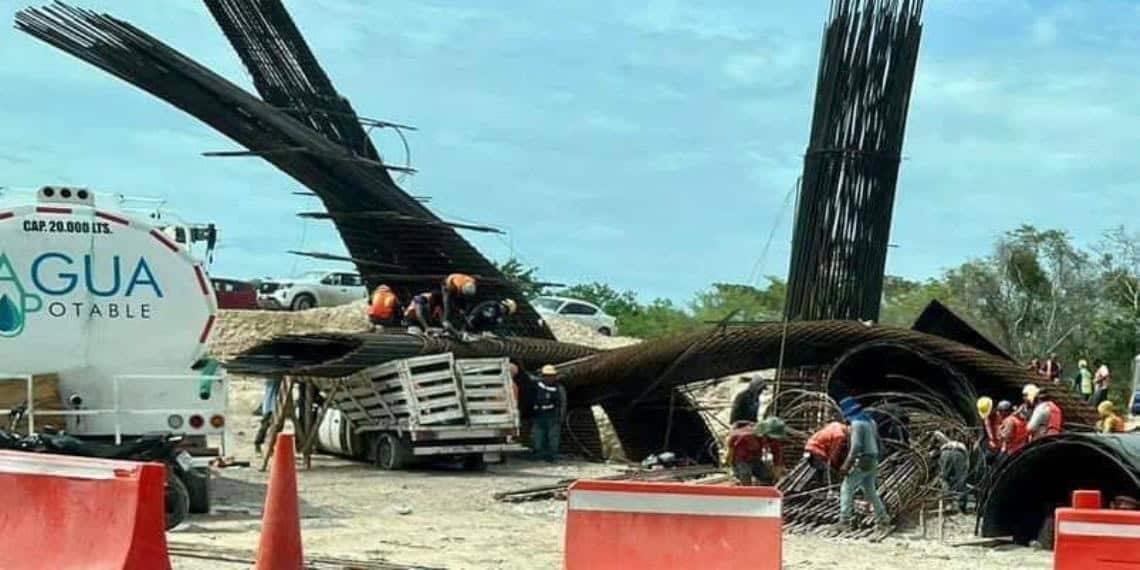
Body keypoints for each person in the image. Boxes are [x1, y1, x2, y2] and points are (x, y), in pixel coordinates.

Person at [834, 397, 890, 531]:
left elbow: (856, 446)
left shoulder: (857, 423)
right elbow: (878, 442)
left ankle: (844, 521)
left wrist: (846, 464)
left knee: (846, 488)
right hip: (873, 459)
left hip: (863, 459)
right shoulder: (871, 421)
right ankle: (883, 519)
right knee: (870, 492)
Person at [725, 417, 787, 486]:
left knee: (767, 477)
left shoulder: (771, 437)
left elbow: (776, 450)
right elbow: (732, 450)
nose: (772, 440)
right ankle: (745, 490)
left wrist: (778, 466)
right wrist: (729, 460)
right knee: (745, 476)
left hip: (755, 458)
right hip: (741, 459)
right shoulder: (746, 437)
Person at [529, 364, 566, 463]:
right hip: (539, 415)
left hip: (553, 415)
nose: (549, 378)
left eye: (551, 376)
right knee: (538, 436)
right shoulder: (537, 386)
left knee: (553, 437)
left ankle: (551, 456)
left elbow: (562, 403)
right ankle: (538, 454)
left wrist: (561, 417)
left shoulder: (559, 388)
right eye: (547, 375)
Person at [934, 432, 970, 513]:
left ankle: (948, 504)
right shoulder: (963, 446)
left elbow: (936, 433)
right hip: (959, 454)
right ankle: (961, 506)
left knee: (944, 479)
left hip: (945, 452)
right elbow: (967, 466)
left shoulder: (946, 443)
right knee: (961, 480)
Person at [254, 378, 281, 455]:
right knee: (266, 426)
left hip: (272, 405)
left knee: (273, 427)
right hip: (270, 406)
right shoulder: (272, 380)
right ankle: (258, 443)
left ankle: (269, 447)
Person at [977, 397, 1002, 464]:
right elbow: (986, 427)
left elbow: (998, 432)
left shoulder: (999, 416)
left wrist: (995, 442)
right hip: (988, 442)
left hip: (997, 445)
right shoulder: (986, 418)